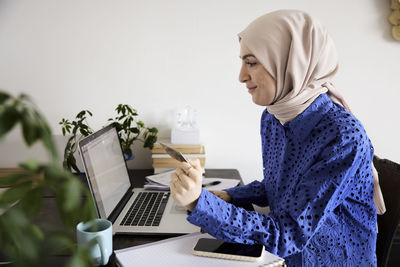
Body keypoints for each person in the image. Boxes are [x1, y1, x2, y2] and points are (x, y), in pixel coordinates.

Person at [169, 10, 385, 266]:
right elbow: (280, 186)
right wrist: (230, 196)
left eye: (251, 63)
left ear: (289, 62)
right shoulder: (273, 117)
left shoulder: (343, 137)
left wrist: (199, 202)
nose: (241, 76)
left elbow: (287, 233)